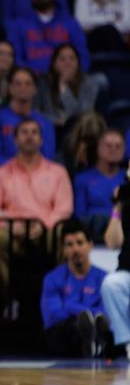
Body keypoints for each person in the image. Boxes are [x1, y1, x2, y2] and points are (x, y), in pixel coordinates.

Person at [0, 118, 74, 317]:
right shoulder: (1, 173)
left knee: (61, 233)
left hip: (45, 232)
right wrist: (9, 224)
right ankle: (8, 301)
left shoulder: (58, 172)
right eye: (24, 132)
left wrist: (44, 225)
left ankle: (57, 298)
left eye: (34, 132)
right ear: (15, 140)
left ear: (41, 140)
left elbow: (64, 208)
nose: (30, 136)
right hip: (13, 233)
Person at [41, 219, 111, 357]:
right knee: (66, 329)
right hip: (65, 333)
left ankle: (92, 341)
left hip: (96, 327)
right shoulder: (52, 278)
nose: (76, 249)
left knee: (102, 326)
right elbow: (53, 316)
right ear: (63, 249)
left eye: (80, 243)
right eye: (70, 245)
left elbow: (106, 314)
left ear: (90, 245)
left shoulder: (105, 278)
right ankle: (89, 342)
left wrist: (71, 306)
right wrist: (84, 317)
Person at [7, 0, 90, 74]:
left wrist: (73, 77)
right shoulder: (17, 25)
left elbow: (83, 57)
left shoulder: (71, 23)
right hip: (32, 82)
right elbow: (15, 58)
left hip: (66, 79)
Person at [0, 67, 56, 168]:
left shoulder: (45, 123)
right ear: (10, 88)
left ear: (35, 89)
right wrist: (18, 170)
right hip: (5, 176)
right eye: (18, 83)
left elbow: (48, 158)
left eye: (28, 83)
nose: (23, 87)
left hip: (37, 177)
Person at [74, 129, 126, 241]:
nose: (113, 149)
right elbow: (79, 214)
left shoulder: (127, 178)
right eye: (108, 145)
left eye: (118, 146)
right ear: (98, 148)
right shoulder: (82, 178)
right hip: (92, 232)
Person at [34, 43, 100, 131]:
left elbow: (82, 116)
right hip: (48, 128)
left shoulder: (88, 83)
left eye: (72, 58)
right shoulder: (43, 82)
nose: (68, 63)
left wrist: (63, 86)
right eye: (62, 59)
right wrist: (56, 120)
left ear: (78, 63)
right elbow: (34, 111)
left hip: (78, 131)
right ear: (54, 64)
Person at [102, 165, 130, 360]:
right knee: (111, 284)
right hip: (128, 271)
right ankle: (128, 341)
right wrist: (118, 206)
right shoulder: (126, 201)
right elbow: (112, 242)